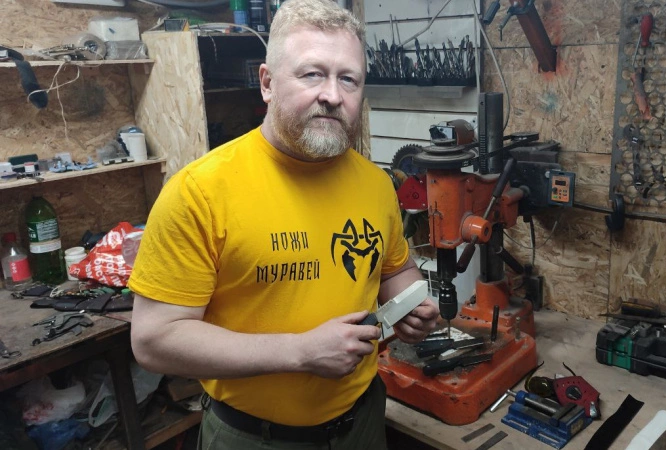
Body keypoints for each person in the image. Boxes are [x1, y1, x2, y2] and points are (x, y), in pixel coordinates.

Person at [128, 0, 439, 448]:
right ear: (268, 83)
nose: (332, 95)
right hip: (254, 437)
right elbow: (154, 341)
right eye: (312, 74)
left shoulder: (375, 183)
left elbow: (393, 269)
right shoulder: (200, 192)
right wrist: (300, 352)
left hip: (363, 422)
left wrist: (411, 304)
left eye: (348, 79)